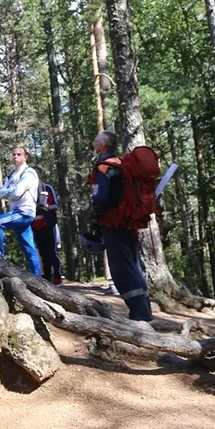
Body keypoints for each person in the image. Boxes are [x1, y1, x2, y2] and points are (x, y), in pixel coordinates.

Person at [90, 130, 152, 321]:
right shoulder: (121, 164)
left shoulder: (103, 167)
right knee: (133, 267)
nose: (94, 144)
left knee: (122, 270)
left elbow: (101, 198)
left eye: (95, 141)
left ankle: (140, 317)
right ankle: (143, 312)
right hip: (128, 222)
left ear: (102, 145)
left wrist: (94, 216)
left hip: (113, 223)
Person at [0, 146, 42, 276]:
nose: (15, 157)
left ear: (26, 157)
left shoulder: (29, 173)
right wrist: (11, 192)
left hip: (23, 212)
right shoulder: (12, 174)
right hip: (17, 212)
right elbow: (0, 193)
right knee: (29, 248)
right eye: (14, 154)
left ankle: (0, 258)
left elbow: (17, 193)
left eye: (19, 154)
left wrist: (9, 192)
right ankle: (38, 278)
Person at [31, 168, 62, 285]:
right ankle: (47, 278)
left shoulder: (47, 188)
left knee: (52, 252)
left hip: (48, 224)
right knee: (42, 253)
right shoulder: (29, 190)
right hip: (35, 225)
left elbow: (56, 205)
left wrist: (46, 207)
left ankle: (57, 277)